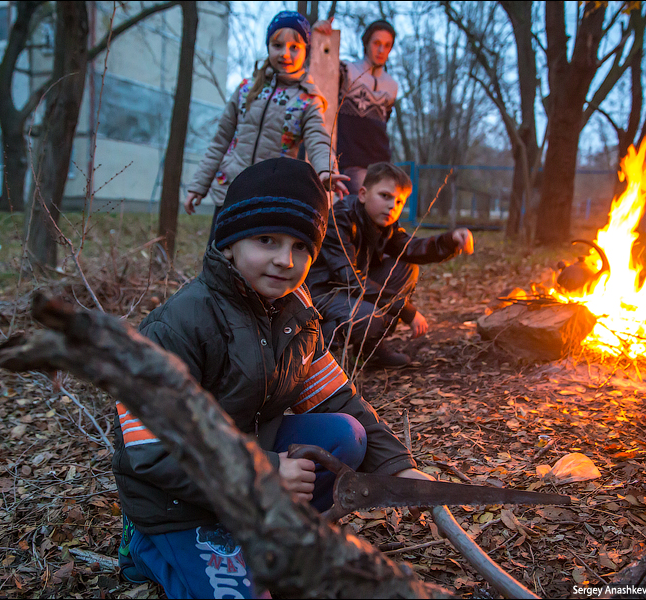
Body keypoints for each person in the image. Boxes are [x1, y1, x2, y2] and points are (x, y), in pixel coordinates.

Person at [114, 158, 426, 598]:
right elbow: (151, 447)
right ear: (228, 243)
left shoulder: (296, 313)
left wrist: (400, 467)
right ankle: (146, 546)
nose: (285, 260)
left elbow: (336, 398)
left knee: (348, 436)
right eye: (267, 240)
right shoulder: (178, 325)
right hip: (175, 500)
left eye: (301, 247)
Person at [184, 10, 348, 246]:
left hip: (268, 195)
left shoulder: (307, 99)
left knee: (255, 264)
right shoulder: (246, 89)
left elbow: (318, 138)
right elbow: (220, 141)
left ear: (306, 51)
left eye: (295, 47)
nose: (285, 53)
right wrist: (198, 186)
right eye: (277, 45)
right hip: (230, 191)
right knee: (219, 257)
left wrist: (326, 170)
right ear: (268, 46)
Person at [306, 162, 474, 369]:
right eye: (385, 196)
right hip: (322, 293)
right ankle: (315, 356)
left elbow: (411, 248)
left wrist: (450, 241)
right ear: (363, 194)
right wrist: (406, 310)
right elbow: (350, 279)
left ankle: (372, 351)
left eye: (399, 201)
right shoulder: (339, 219)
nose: (392, 206)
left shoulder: (383, 224)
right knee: (369, 317)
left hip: (349, 288)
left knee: (406, 267)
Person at [313, 17, 398, 194]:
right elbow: (316, 70)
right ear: (366, 43)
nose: (381, 50)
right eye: (376, 43)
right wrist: (317, 35)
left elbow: (384, 123)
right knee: (355, 210)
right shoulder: (347, 71)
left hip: (380, 163)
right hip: (350, 160)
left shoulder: (392, 86)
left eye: (387, 45)